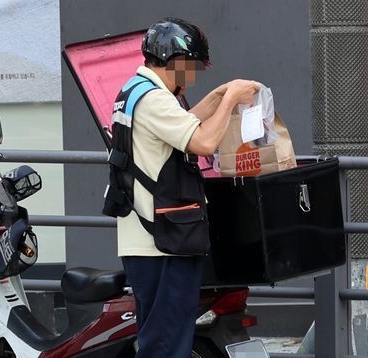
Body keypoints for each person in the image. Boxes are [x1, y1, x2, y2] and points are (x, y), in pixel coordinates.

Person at [103, 18, 260, 357]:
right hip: (163, 242)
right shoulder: (155, 101)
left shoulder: (134, 92)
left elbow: (181, 125)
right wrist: (231, 98)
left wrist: (217, 97)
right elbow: (202, 141)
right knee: (167, 344)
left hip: (149, 241)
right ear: (174, 61)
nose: (192, 76)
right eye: (192, 67)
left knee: (160, 338)